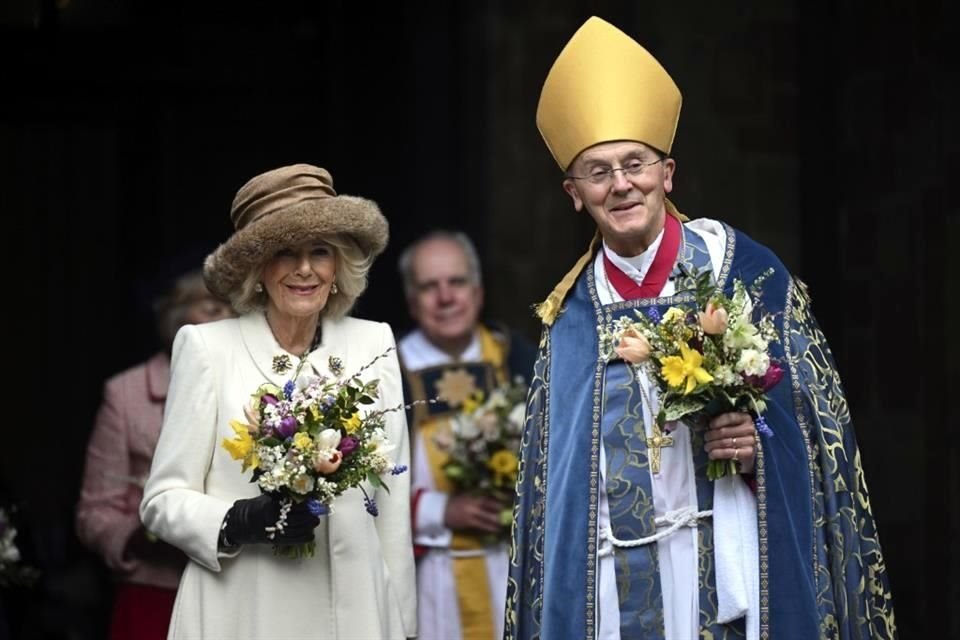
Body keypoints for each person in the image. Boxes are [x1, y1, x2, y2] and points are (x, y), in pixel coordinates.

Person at [505, 17, 896, 640]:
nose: (621, 184)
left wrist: (757, 444)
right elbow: (550, 500)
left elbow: (822, 444)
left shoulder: (746, 274)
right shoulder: (571, 318)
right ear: (573, 192)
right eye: (597, 171)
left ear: (668, 173)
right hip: (612, 587)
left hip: (729, 567)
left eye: (634, 163)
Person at [139, 164, 417, 639]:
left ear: (338, 267)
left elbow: (392, 507)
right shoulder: (207, 349)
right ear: (258, 269)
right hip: (244, 610)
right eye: (284, 252)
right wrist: (239, 521)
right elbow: (162, 500)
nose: (304, 268)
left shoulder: (374, 344)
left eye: (320, 252)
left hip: (356, 613)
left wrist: (404, 625)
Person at [76, 267, 232, 640]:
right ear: (175, 320)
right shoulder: (126, 394)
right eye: (211, 309)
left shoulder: (253, 386)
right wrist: (141, 537)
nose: (225, 320)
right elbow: (94, 513)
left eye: (233, 310)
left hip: (231, 589)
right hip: (155, 594)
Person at [396, 231, 535, 640]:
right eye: (428, 287)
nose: (445, 297)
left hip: (516, 569)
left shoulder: (521, 359)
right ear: (411, 300)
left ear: (477, 290)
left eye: (456, 282)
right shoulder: (386, 373)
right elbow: (363, 491)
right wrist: (441, 511)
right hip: (430, 578)